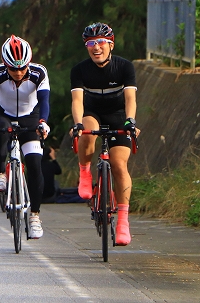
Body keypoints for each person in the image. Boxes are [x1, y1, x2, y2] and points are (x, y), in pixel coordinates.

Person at [69, 22, 139, 246]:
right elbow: (77, 100)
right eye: (90, 43)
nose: (95, 47)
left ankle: (123, 222)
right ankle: (85, 173)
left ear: (111, 44)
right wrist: (78, 124)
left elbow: (130, 99)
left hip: (117, 114)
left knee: (119, 165)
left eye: (100, 42)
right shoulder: (79, 70)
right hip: (92, 112)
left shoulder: (124, 67)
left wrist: (130, 121)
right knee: (87, 134)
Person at [0, 35, 50, 239]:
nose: (19, 73)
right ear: (4, 64)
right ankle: (1, 174)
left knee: (35, 164)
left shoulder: (39, 72)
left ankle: (35, 216)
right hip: (4, 114)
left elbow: (45, 99)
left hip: (31, 115)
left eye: (22, 68)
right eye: (13, 69)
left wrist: (43, 121)